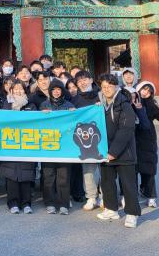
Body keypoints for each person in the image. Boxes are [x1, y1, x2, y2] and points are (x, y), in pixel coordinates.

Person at [95, 73, 141, 229]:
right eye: (104, 87)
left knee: (128, 185)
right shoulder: (100, 105)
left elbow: (126, 130)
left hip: (123, 152)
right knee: (107, 182)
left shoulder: (124, 104)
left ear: (116, 86)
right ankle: (111, 209)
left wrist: (113, 152)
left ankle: (132, 214)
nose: (106, 89)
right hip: (104, 151)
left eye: (109, 86)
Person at [0, 78, 37, 214]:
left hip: (27, 143)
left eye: (21, 89)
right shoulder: (6, 104)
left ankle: (26, 203)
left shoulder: (30, 105)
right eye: (16, 89)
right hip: (11, 142)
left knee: (26, 174)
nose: (19, 91)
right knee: (11, 174)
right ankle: (13, 202)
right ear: (11, 90)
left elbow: (36, 122)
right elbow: (2, 121)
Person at [135, 81, 159, 208]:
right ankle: (131, 194)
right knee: (132, 168)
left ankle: (150, 195)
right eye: (143, 89)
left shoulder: (152, 104)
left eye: (149, 91)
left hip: (147, 138)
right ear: (138, 90)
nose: (145, 92)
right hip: (133, 136)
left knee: (149, 168)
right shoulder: (131, 101)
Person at [40, 79, 76, 215]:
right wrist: (41, 115)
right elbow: (38, 124)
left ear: (62, 91)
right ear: (50, 91)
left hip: (65, 146)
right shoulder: (44, 105)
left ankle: (64, 203)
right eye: (53, 89)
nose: (56, 92)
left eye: (59, 89)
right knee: (48, 176)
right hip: (48, 145)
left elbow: (75, 123)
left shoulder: (69, 105)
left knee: (64, 176)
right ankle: (49, 203)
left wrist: (75, 113)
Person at [72, 70, 102, 211]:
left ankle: (104, 195)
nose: (82, 83)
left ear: (91, 80)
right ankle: (91, 196)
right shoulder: (75, 99)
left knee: (105, 169)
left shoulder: (101, 95)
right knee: (88, 169)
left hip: (101, 137)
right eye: (79, 81)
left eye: (85, 79)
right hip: (85, 140)